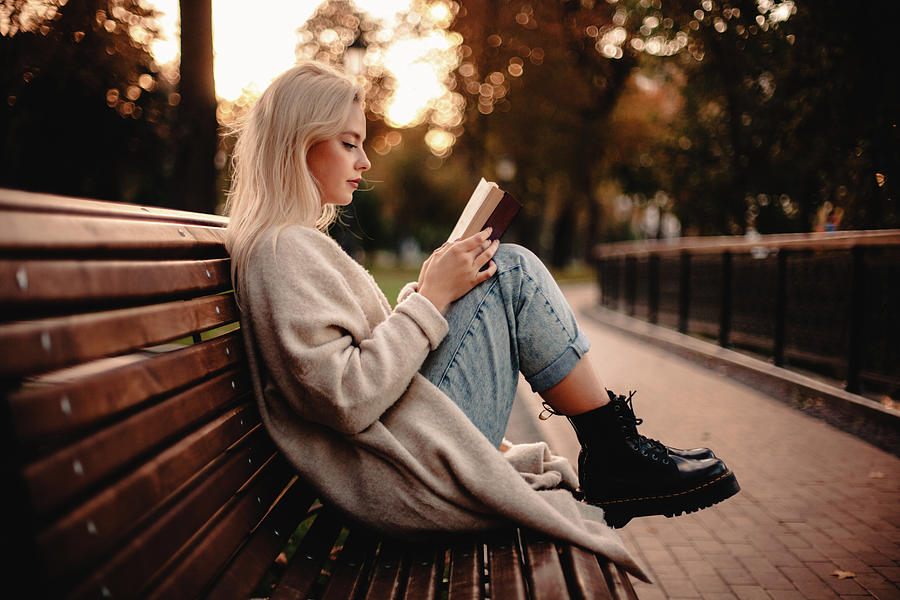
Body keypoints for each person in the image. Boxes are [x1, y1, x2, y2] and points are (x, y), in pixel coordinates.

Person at [225, 62, 738, 578]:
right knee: (509, 269)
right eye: (348, 143)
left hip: (406, 444)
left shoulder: (289, 245)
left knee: (497, 267)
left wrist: (430, 291)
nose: (363, 161)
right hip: (403, 470)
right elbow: (346, 397)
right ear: (300, 142)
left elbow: (361, 361)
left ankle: (613, 451)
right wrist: (430, 299)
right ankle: (614, 454)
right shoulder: (282, 250)